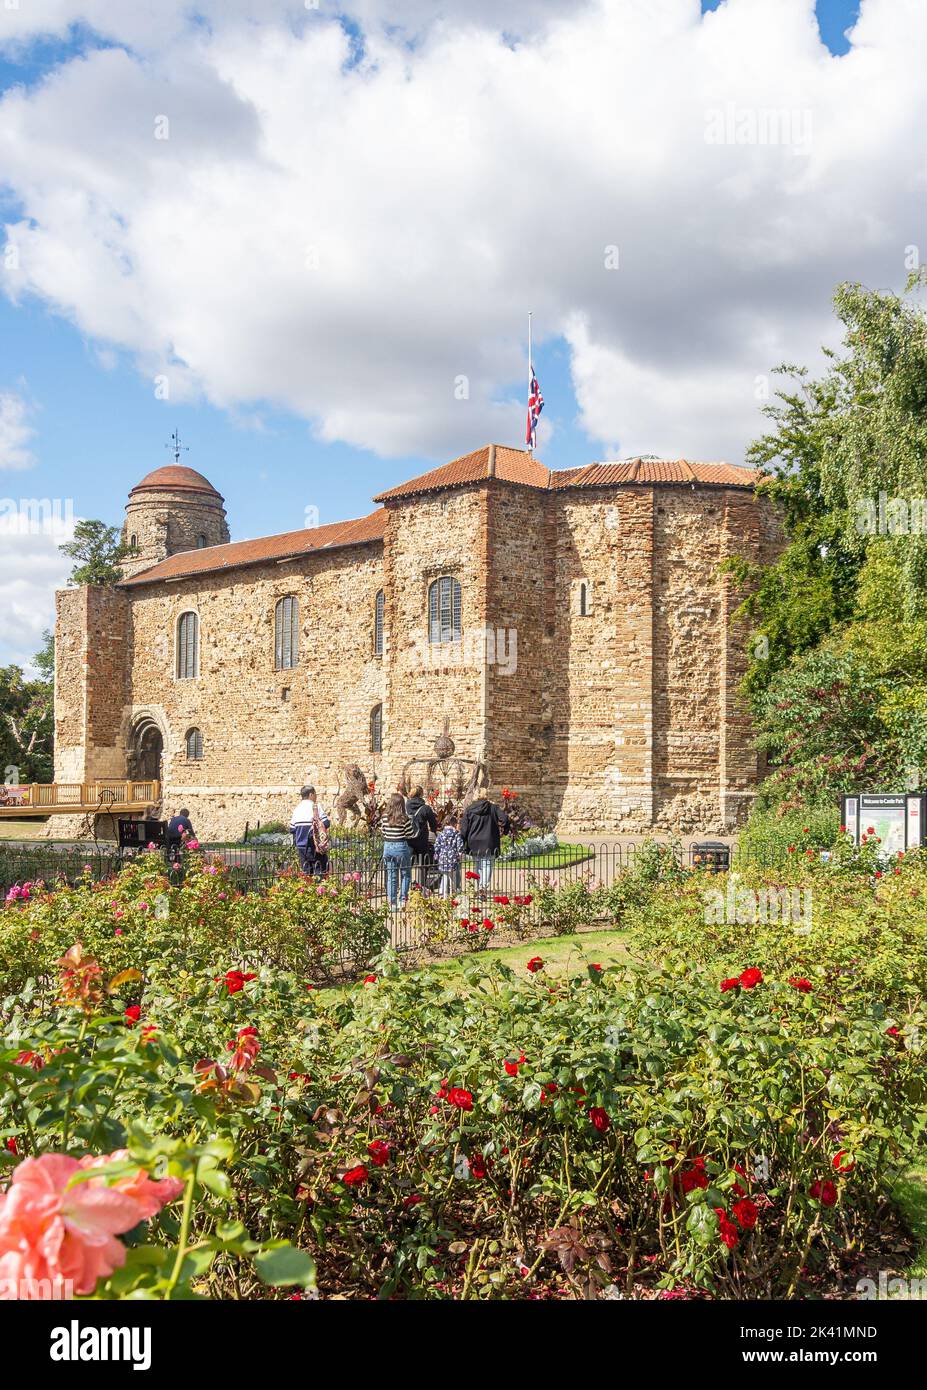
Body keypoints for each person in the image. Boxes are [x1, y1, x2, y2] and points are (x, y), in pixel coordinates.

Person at [460, 795, 510, 891]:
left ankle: (480, 887)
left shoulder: (470, 809)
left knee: (478, 865)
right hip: (489, 841)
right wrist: (505, 831)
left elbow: (464, 827)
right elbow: (505, 819)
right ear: (486, 797)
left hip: (474, 841)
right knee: (487, 865)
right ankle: (483, 887)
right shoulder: (493, 808)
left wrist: (463, 841)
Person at [381, 791, 415, 910]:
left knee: (391, 875)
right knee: (405, 874)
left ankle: (392, 903)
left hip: (388, 846)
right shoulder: (404, 818)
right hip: (400, 846)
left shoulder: (384, 817)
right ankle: (402, 900)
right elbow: (410, 834)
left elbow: (383, 832)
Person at [289, 786, 331, 876]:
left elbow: (292, 829)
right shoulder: (316, 807)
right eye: (315, 794)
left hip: (301, 848)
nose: (316, 797)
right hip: (315, 846)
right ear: (311, 794)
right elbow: (326, 823)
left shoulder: (297, 809)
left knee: (307, 875)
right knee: (320, 872)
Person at [405, 784, 438, 885]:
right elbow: (433, 823)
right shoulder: (425, 808)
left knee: (407, 864)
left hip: (408, 838)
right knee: (423, 862)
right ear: (421, 794)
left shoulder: (405, 806)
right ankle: (421, 884)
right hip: (421, 839)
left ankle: (407, 884)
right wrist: (433, 832)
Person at [433, 813, 464, 898]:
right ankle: (452, 892)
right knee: (452, 876)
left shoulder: (441, 834)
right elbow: (460, 846)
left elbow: (436, 846)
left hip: (443, 857)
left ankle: (443, 893)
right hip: (453, 856)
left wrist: (437, 854)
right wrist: (459, 854)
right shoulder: (456, 834)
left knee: (445, 875)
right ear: (453, 823)